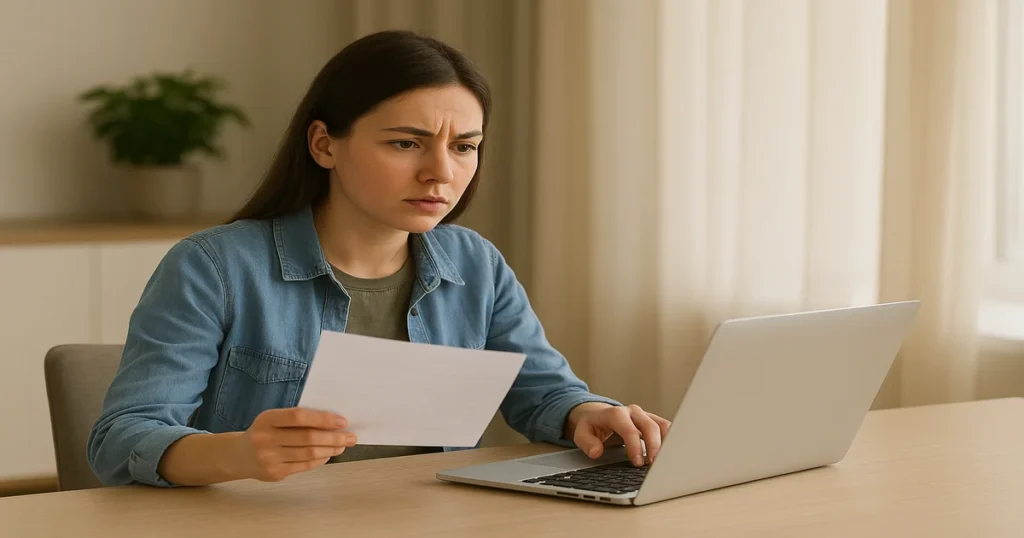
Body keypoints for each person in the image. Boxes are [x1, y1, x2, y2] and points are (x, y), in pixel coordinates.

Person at [87, 29, 671, 487]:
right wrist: (237, 453)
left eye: (464, 147)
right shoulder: (214, 267)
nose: (442, 173)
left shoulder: (475, 263)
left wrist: (588, 413)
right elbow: (120, 440)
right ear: (324, 144)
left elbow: (544, 392)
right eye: (406, 143)